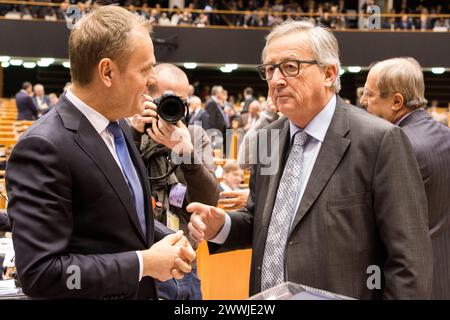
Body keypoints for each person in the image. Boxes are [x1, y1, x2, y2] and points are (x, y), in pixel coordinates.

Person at [187, 20, 433, 300]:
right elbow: (262, 221)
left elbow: (409, 261)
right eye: (269, 69)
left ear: (329, 73)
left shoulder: (380, 141)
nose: (276, 80)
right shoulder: (268, 138)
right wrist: (224, 227)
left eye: (290, 67)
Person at [6, 5, 195, 299]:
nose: (152, 81)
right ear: (107, 71)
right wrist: (143, 263)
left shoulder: (117, 125)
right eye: (145, 69)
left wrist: (170, 238)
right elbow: (41, 274)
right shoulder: (43, 147)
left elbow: (121, 223)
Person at [361, 57, 450, 300]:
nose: (363, 101)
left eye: (369, 94)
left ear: (396, 102)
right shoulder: (447, 135)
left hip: (407, 285)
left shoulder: (394, 146)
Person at [130, 63, 220, 300]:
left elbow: (209, 200)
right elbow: (120, 193)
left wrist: (187, 154)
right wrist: (135, 135)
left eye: (182, 101)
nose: (174, 108)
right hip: (143, 264)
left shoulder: (194, 136)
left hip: (185, 261)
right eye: (168, 100)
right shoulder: (128, 132)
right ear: (148, 97)